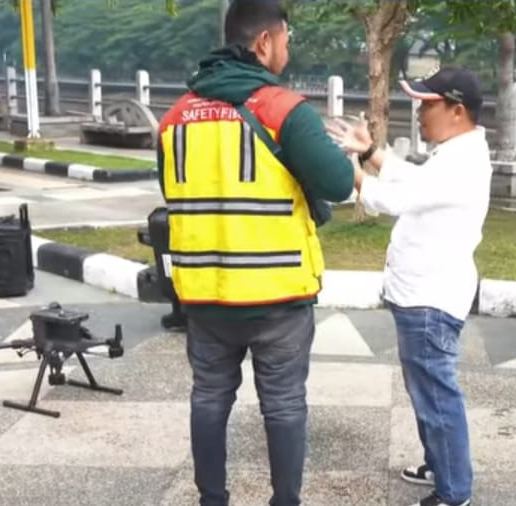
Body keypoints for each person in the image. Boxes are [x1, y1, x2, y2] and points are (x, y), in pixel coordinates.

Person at [156, 1, 355, 504]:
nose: (288, 49)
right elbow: (336, 183)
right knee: (283, 405)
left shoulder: (175, 118)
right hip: (277, 293)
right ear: (264, 42)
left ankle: (212, 499)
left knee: (208, 397)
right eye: (286, 39)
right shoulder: (284, 109)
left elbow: (172, 192)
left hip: (204, 294)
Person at [327, 66, 488, 506]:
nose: (419, 112)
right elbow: (414, 182)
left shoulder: (461, 161)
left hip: (429, 299)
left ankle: (454, 491)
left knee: (436, 395)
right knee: (426, 391)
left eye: (427, 104)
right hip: (423, 293)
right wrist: (371, 152)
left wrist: (351, 171)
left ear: (457, 111)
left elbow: (393, 198)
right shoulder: (456, 152)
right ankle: (440, 464)